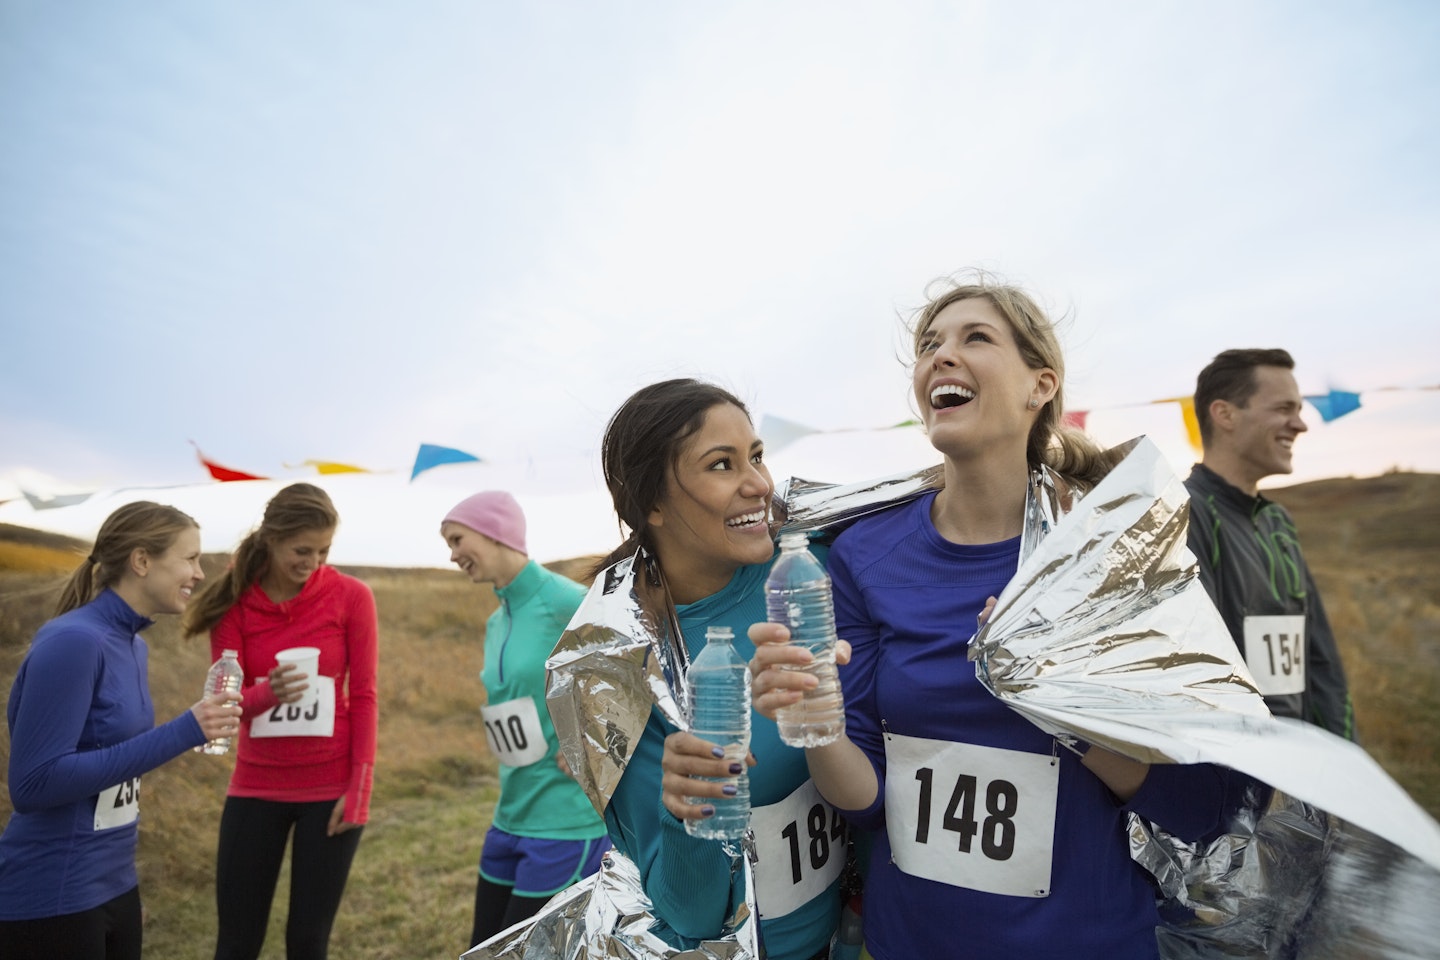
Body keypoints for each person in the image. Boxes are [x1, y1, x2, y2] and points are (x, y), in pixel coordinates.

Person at [750, 275, 1229, 959]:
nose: (941, 356)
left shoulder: (1112, 548)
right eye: (928, 345)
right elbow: (864, 799)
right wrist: (813, 716)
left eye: (975, 338)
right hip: (911, 941)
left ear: (1041, 385)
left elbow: (1206, 799)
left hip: (1086, 941)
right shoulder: (864, 554)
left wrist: (1053, 697)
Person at [590, 379, 842, 960]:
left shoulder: (813, 566)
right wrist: (684, 817)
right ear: (652, 504)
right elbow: (688, 914)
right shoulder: (621, 666)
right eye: (722, 465)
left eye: (756, 456)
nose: (759, 484)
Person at [0, 502, 241, 960]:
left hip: (115, 885)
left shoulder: (133, 645)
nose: (199, 572)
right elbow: (33, 784)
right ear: (142, 560)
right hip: (53, 894)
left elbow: (114, 766)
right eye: (189, 558)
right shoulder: (74, 642)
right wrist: (185, 730)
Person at [182, 483, 378, 960]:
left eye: (324, 550)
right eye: (301, 550)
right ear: (270, 539)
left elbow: (366, 694)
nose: (313, 562)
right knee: (236, 943)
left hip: (329, 791)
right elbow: (222, 703)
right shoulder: (234, 600)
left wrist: (359, 789)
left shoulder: (351, 596)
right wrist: (269, 692)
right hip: (255, 787)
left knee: (307, 943)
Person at [439, 491, 611, 948]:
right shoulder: (498, 619)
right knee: (482, 947)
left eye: (457, 540)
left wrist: (595, 739)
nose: (453, 555)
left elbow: (633, 666)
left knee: (530, 953)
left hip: (566, 820)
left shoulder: (565, 599)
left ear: (495, 532)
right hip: (511, 811)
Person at [1186, 348, 1355, 739]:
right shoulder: (1183, 515)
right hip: (1238, 776)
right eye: (1283, 409)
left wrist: (1344, 761)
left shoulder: (1278, 523)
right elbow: (1199, 676)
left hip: (1304, 766)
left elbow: (1320, 659)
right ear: (1224, 414)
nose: (1300, 424)